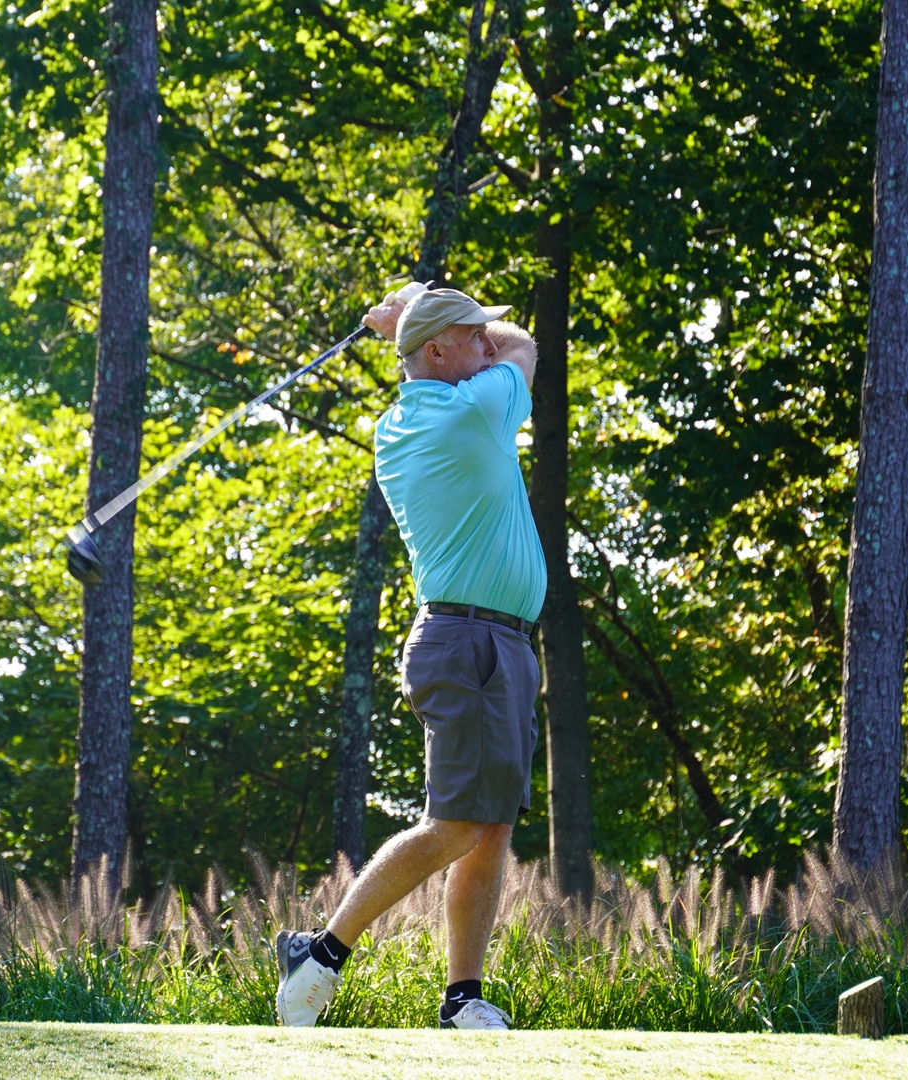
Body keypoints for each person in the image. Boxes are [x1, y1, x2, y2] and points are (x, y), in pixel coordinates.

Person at [274, 286, 545, 1031]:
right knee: (456, 824)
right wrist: (417, 309)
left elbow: (483, 349)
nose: (486, 344)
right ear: (436, 351)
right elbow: (523, 344)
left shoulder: (400, 421)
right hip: (470, 642)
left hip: (495, 642)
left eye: (482, 334)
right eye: (471, 335)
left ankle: (462, 998)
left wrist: (416, 324)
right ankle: (319, 953)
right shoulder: (473, 411)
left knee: (489, 826)